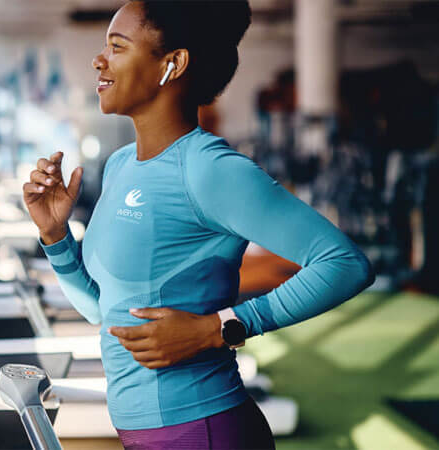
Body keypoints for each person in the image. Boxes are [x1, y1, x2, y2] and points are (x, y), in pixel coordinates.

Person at [23, 1, 374, 449]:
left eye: (117, 46)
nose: (99, 60)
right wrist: (56, 237)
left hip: (203, 429)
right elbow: (104, 313)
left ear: (173, 64)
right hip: (141, 431)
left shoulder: (211, 170)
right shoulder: (120, 165)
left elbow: (344, 263)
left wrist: (220, 327)